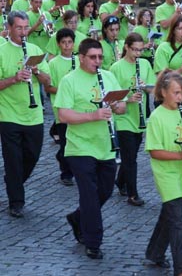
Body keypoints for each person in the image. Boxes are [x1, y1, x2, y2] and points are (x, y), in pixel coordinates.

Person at [55, 38, 126, 259]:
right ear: (82, 57)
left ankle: (77, 218)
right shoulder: (70, 81)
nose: (97, 61)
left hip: (105, 146)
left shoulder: (108, 76)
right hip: (79, 147)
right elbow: (63, 115)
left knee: (103, 192)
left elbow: (122, 108)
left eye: (100, 57)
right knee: (89, 195)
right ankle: (93, 242)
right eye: (93, 57)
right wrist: (92, 115)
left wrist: (117, 105)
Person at [144, 71, 182, 275]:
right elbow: (154, 151)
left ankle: (155, 253)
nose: (180, 97)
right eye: (176, 93)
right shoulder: (156, 117)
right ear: (163, 92)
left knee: (169, 216)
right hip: (166, 174)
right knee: (177, 220)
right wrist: (180, 154)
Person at [0, 11, 51, 218]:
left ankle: (13, 182)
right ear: (10, 28)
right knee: (12, 159)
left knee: (32, 155)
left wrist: (37, 72)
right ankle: (16, 201)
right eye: (19, 28)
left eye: (25, 27)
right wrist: (14, 78)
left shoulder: (35, 49)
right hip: (8, 115)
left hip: (34, 115)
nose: (23, 32)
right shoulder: (1, 51)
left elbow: (48, 82)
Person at [110, 33, 155, 206]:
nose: (138, 54)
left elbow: (153, 89)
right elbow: (112, 96)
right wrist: (128, 99)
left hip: (139, 116)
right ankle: (132, 194)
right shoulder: (116, 68)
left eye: (140, 50)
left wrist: (144, 87)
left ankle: (120, 182)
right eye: (134, 50)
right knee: (130, 159)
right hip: (123, 117)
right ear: (126, 48)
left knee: (132, 154)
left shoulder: (144, 64)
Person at [45, 28, 79, 186]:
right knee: (65, 141)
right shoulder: (53, 63)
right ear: (58, 44)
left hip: (78, 107)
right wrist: (66, 91)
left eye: (70, 42)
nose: (67, 46)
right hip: (61, 108)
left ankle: (67, 160)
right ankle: (66, 173)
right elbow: (48, 87)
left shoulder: (79, 60)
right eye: (64, 43)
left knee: (76, 140)